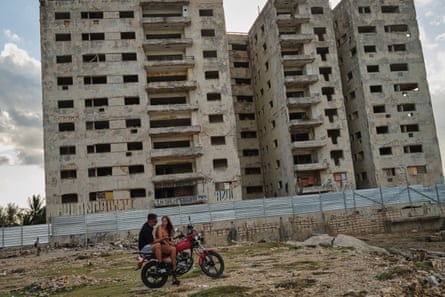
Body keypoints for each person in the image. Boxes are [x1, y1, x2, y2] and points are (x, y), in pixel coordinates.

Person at [138, 213, 180, 285]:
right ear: (151, 220)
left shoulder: (150, 227)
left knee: (173, 249)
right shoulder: (146, 228)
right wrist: (164, 239)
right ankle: (161, 265)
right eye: (155, 221)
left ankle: (174, 272)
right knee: (157, 245)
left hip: (150, 245)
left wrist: (169, 243)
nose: (156, 222)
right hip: (145, 247)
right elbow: (153, 241)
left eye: (157, 221)